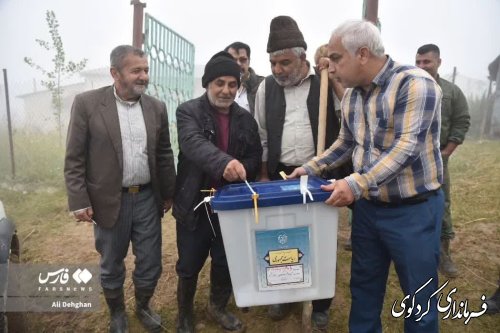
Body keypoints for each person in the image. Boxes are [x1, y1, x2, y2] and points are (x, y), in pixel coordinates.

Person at [288, 20, 444, 333]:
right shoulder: (351, 96)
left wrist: (354, 183)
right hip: (369, 210)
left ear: (362, 54)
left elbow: (406, 149)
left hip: (412, 210)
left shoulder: (414, 84)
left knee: (419, 296)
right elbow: (346, 143)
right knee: (364, 287)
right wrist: (311, 167)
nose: (330, 67)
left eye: (336, 58)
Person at [64, 45, 176, 333]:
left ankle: (143, 306)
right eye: (136, 70)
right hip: (109, 201)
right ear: (115, 73)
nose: (143, 76)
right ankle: (117, 314)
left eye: (146, 70)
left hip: (147, 198)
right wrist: (79, 199)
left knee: (150, 262)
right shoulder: (88, 104)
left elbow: (164, 153)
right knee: (112, 263)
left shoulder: (156, 107)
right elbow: (74, 157)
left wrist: (168, 193)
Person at [254, 15, 342, 330]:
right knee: (283, 236)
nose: (277, 69)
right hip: (280, 176)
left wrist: (334, 78)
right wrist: (264, 174)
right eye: (273, 62)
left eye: (284, 62)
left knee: (321, 240)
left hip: (320, 175)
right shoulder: (266, 88)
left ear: (302, 57)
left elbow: (347, 118)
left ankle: (320, 305)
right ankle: (285, 293)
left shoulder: (324, 83)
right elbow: (262, 134)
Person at [172, 51, 262, 333]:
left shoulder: (246, 119)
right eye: (219, 83)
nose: (226, 90)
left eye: (232, 84)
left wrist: (243, 167)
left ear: (238, 86)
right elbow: (192, 144)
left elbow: (254, 157)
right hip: (196, 201)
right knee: (189, 262)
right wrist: (226, 163)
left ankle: (217, 306)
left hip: (231, 204)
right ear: (207, 84)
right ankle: (184, 314)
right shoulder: (188, 112)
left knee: (226, 258)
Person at [415, 44, 470, 278]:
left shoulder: (451, 92)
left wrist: (446, 152)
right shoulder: (409, 87)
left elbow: (462, 121)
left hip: (437, 160)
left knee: (442, 204)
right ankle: (412, 251)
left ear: (438, 62)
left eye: (426, 62)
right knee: (410, 205)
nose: (421, 66)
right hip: (410, 160)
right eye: (418, 62)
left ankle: (443, 255)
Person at [224, 41, 264, 116]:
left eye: (243, 60)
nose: (238, 63)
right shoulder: (218, 87)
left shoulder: (263, 85)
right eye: (233, 60)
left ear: (249, 61)